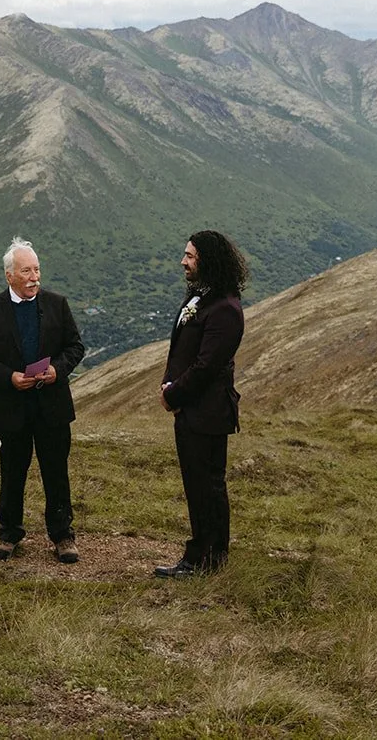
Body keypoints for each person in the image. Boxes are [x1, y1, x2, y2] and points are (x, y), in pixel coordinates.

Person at [0, 237, 86, 563]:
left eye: (37, 269)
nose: (34, 277)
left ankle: (63, 536)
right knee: (12, 472)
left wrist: (56, 370)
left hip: (52, 406)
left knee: (56, 472)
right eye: (26, 271)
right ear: (10, 276)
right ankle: (8, 533)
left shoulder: (57, 304)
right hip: (12, 408)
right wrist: (8, 377)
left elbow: (75, 347)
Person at [154, 230, 248, 578]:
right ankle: (200, 556)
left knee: (208, 487)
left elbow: (207, 366)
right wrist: (171, 386)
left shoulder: (225, 309)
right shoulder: (201, 298)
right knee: (196, 486)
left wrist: (172, 394)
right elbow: (182, 350)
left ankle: (208, 559)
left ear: (208, 260)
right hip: (190, 410)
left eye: (190, 256)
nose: (184, 261)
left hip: (207, 413)